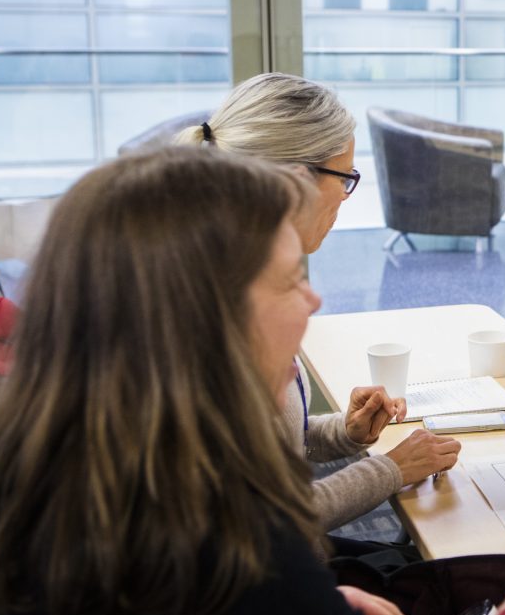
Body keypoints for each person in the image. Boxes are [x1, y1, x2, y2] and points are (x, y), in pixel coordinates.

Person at [0, 147, 505, 615]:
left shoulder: (37, 462)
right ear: (216, 318)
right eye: (292, 279)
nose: (314, 301)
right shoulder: (219, 538)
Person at [175, 73, 460, 533]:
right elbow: (260, 520)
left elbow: (269, 449)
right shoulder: (210, 322)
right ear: (295, 178)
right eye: (345, 177)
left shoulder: (235, 276)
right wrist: (390, 470)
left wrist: (343, 434)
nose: (311, 301)